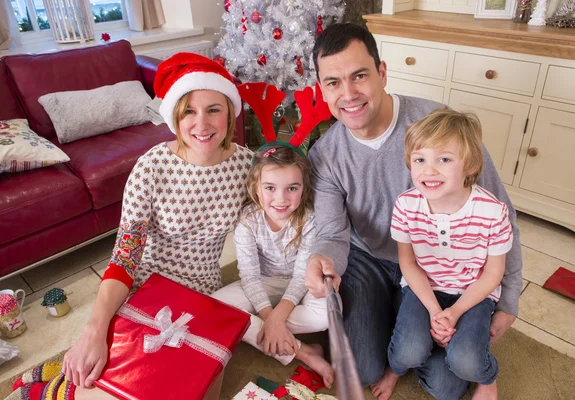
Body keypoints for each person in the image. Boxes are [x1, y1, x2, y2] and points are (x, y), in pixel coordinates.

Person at [8, 53, 253, 400]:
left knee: (190, 390)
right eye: (189, 111)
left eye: (214, 109)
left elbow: (276, 220)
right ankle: (55, 383)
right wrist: (94, 330)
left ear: (230, 112)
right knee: (108, 382)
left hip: (204, 292)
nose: (202, 123)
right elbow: (124, 258)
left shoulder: (248, 165)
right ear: (174, 116)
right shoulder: (150, 167)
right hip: (146, 288)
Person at [303, 23, 523, 400]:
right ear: (321, 90)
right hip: (368, 259)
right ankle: (395, 320)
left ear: (382, 73)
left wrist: (509, 299)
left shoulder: (441, 127)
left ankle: (408, 323)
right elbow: (332, 232)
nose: (349, 94)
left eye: (359, 76)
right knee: (365, 368)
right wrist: (322, 259)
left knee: (449, 387)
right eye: (333, 83)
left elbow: (501, 213)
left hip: (441, 268)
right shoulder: (325, 155)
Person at [388, 109, 512, 400]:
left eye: (444, 159)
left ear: (469, 165)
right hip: (424, 290)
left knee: (467, 362)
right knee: (406, 352)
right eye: (420, 160)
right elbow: (408, 263)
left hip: (473, 295)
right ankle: (393, 369)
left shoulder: (492, 211)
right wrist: (434, 312)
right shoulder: (406, 205)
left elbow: (493, 274)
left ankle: (488, 377)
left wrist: (454, 313)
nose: (429, 171)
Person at [211, 145, 334, 387]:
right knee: (214, 308)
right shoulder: (248, 219)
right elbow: (249, 275)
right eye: (270, 188)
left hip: (303, 283)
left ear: (303, 188)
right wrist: (272, 318)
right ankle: (301, 350)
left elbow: (301, 276)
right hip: (264, 281)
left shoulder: (309, 218)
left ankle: (254, 323)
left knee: (324, 317)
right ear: (256, 188)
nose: (281, 199)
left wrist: (275, 317)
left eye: (292, 188)